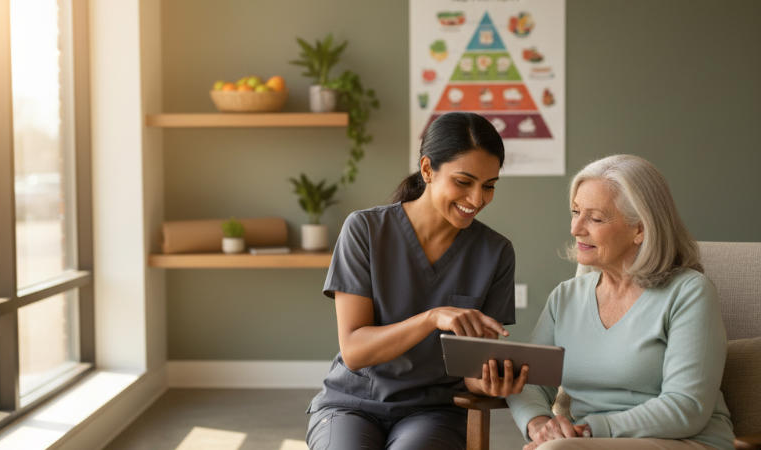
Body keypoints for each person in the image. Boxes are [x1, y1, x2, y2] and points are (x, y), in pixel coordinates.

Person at [305, 112, 529, 450]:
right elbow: (354, 351)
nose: (477, 200)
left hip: (434, 411)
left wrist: (490, 383)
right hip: (351, 403)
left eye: (489, 186)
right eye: (464, 182)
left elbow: (471, 372)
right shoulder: (364, 230)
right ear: (427, 170)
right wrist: (432, 318)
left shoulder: (496, 252)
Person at [506, 155, 735, 450]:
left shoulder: (690, 292)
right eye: (575, 212)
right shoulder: (566, 296)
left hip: (684, 441)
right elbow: (530, 379)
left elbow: (686, 407)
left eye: (595, 218)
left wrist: (587, 430)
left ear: (640, 229)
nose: (576, 228)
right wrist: (539, 425)